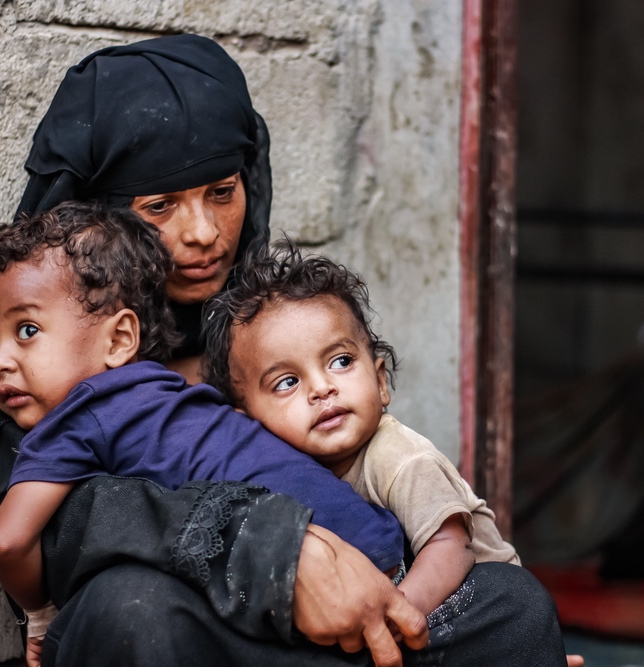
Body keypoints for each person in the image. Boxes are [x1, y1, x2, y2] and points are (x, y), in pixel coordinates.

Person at [0, 33, 569, 666]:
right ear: (101, 221)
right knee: (130, 611)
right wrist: (268, 549)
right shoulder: (38, 368)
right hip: (203, 631)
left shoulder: (266, 342)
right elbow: (60, 529)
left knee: (511, 602)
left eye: (222, 192)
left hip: (355, 612)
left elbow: (355, 467)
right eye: (159, 205)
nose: (205, 233)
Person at [0, 203, 408, 664]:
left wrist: (39, 612)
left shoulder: (74, 420)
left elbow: (7, 540)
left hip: (315, 571)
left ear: (120, 340)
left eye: (27, 330)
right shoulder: (171, 389)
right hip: (378, 538)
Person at [201, 240, 523, 618]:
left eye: (340, 361)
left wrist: (393, 619)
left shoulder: (401, 459)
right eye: (287, 382)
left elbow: (452, 547)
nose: (322, 388)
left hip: (494, 611)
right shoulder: (290, 472)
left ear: (381, 381)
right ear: (249, 423)